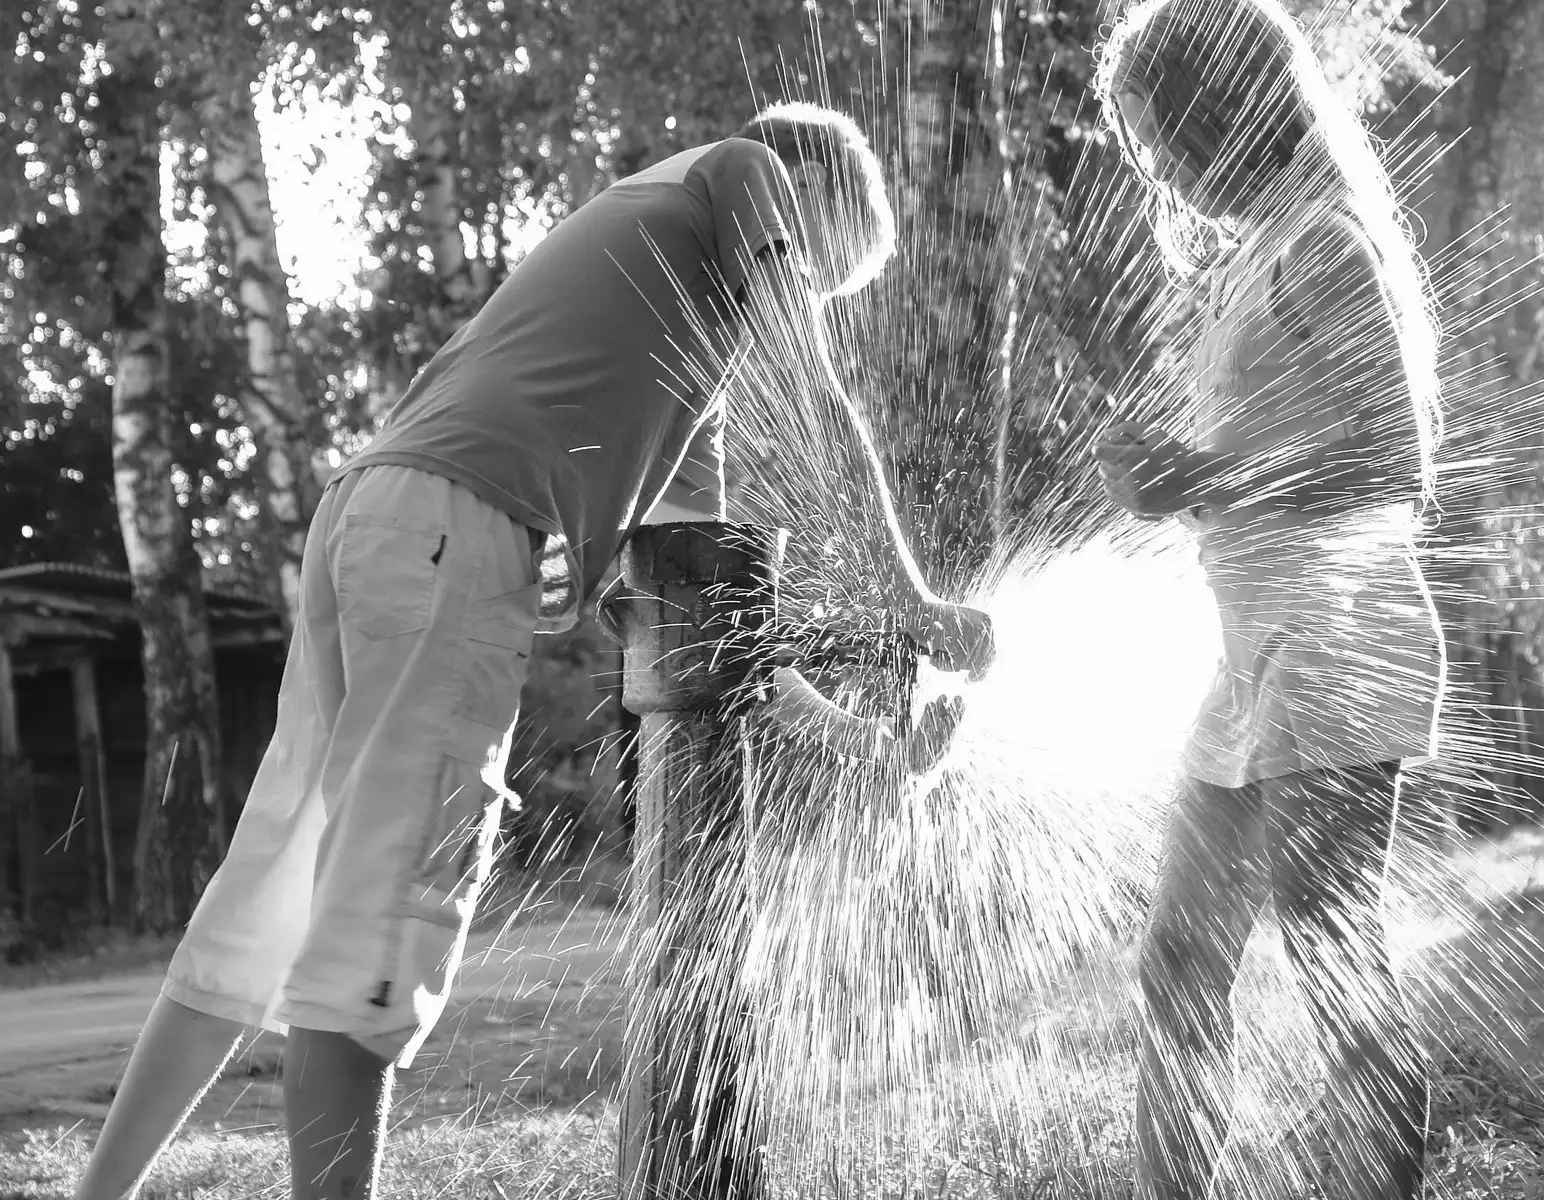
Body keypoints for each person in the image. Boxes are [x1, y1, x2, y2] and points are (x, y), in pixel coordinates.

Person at [74, 102, 993, 1200]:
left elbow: (705, 626)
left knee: (271, 893)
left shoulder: (677, 344)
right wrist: (918, 601)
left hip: (377, 518)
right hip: (455, 537)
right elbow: (814, 387)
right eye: (820, 274)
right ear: (808, 204)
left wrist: (866, 750)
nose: (804, 298)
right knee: (383, 926)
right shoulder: (743, 169)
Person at [1088, 3, 1447, 1199]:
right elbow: (1267, 457)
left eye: (1176, 140)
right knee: (1180, 959)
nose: (1173, 175)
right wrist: (1175, 480)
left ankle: (1389, 1177)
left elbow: (1399, 460)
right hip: (1254, 657)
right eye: (1155, 151)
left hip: (1342, 642)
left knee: (1333, 948)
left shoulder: (1328, 242)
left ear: (1235, 109)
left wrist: (1203, 477)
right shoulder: (1257, 252)